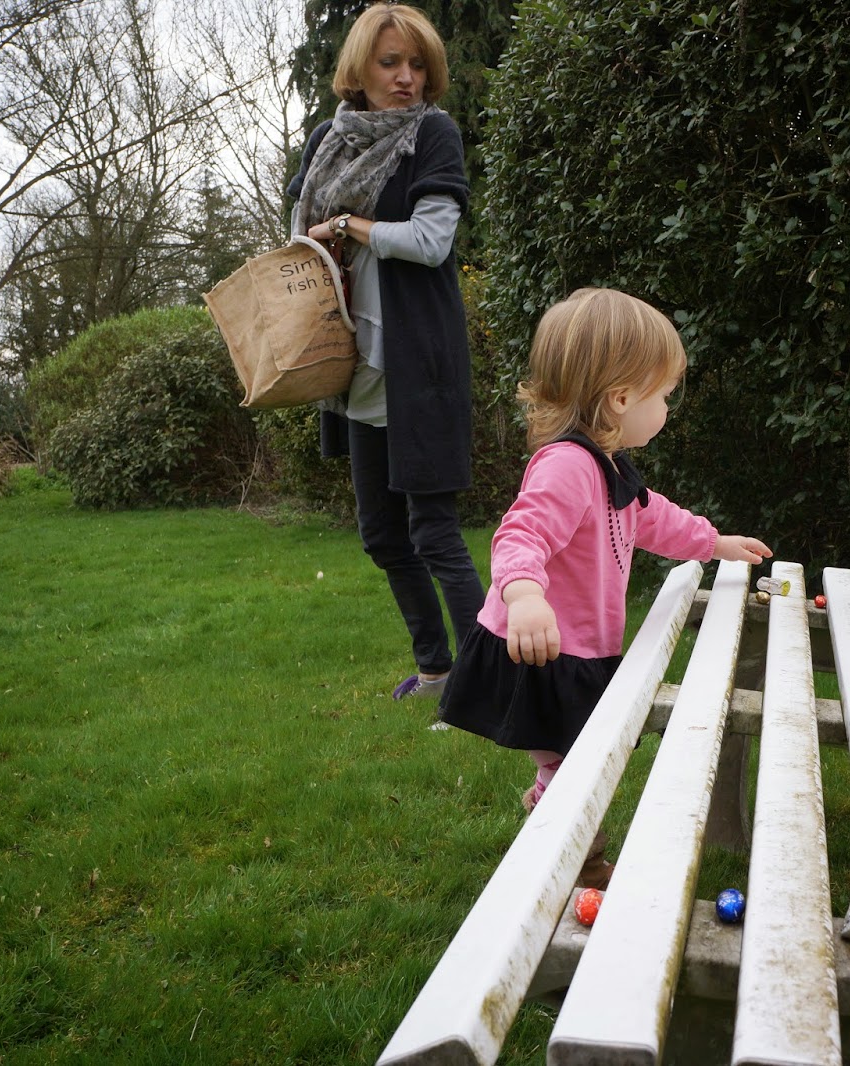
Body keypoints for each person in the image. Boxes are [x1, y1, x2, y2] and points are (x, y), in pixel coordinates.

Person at [437, 288, 772, 886]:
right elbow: (520, 534)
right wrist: (524, 595)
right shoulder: (568, 465)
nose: (667, 408)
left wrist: (714, 543)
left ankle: (563, 836)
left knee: (579, 757)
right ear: (620, 399)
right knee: (577, 762)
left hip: (580, 648)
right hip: (544, 650)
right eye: (663, 395)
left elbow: (652, 517)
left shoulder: (607, 464)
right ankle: (574, 858)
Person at [286, 3, 482, 705]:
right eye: (389, 62)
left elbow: (430, 242)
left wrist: (348, 223)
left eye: (417, 64)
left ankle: (486, 683)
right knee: (381, 536)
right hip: (353, 368)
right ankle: (437, 670)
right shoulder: (327, 140)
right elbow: (297, 235)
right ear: (359, 69)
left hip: (417, 364)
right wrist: (323, 232)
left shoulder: (433, 134)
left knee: (434, 532)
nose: (406, 78)